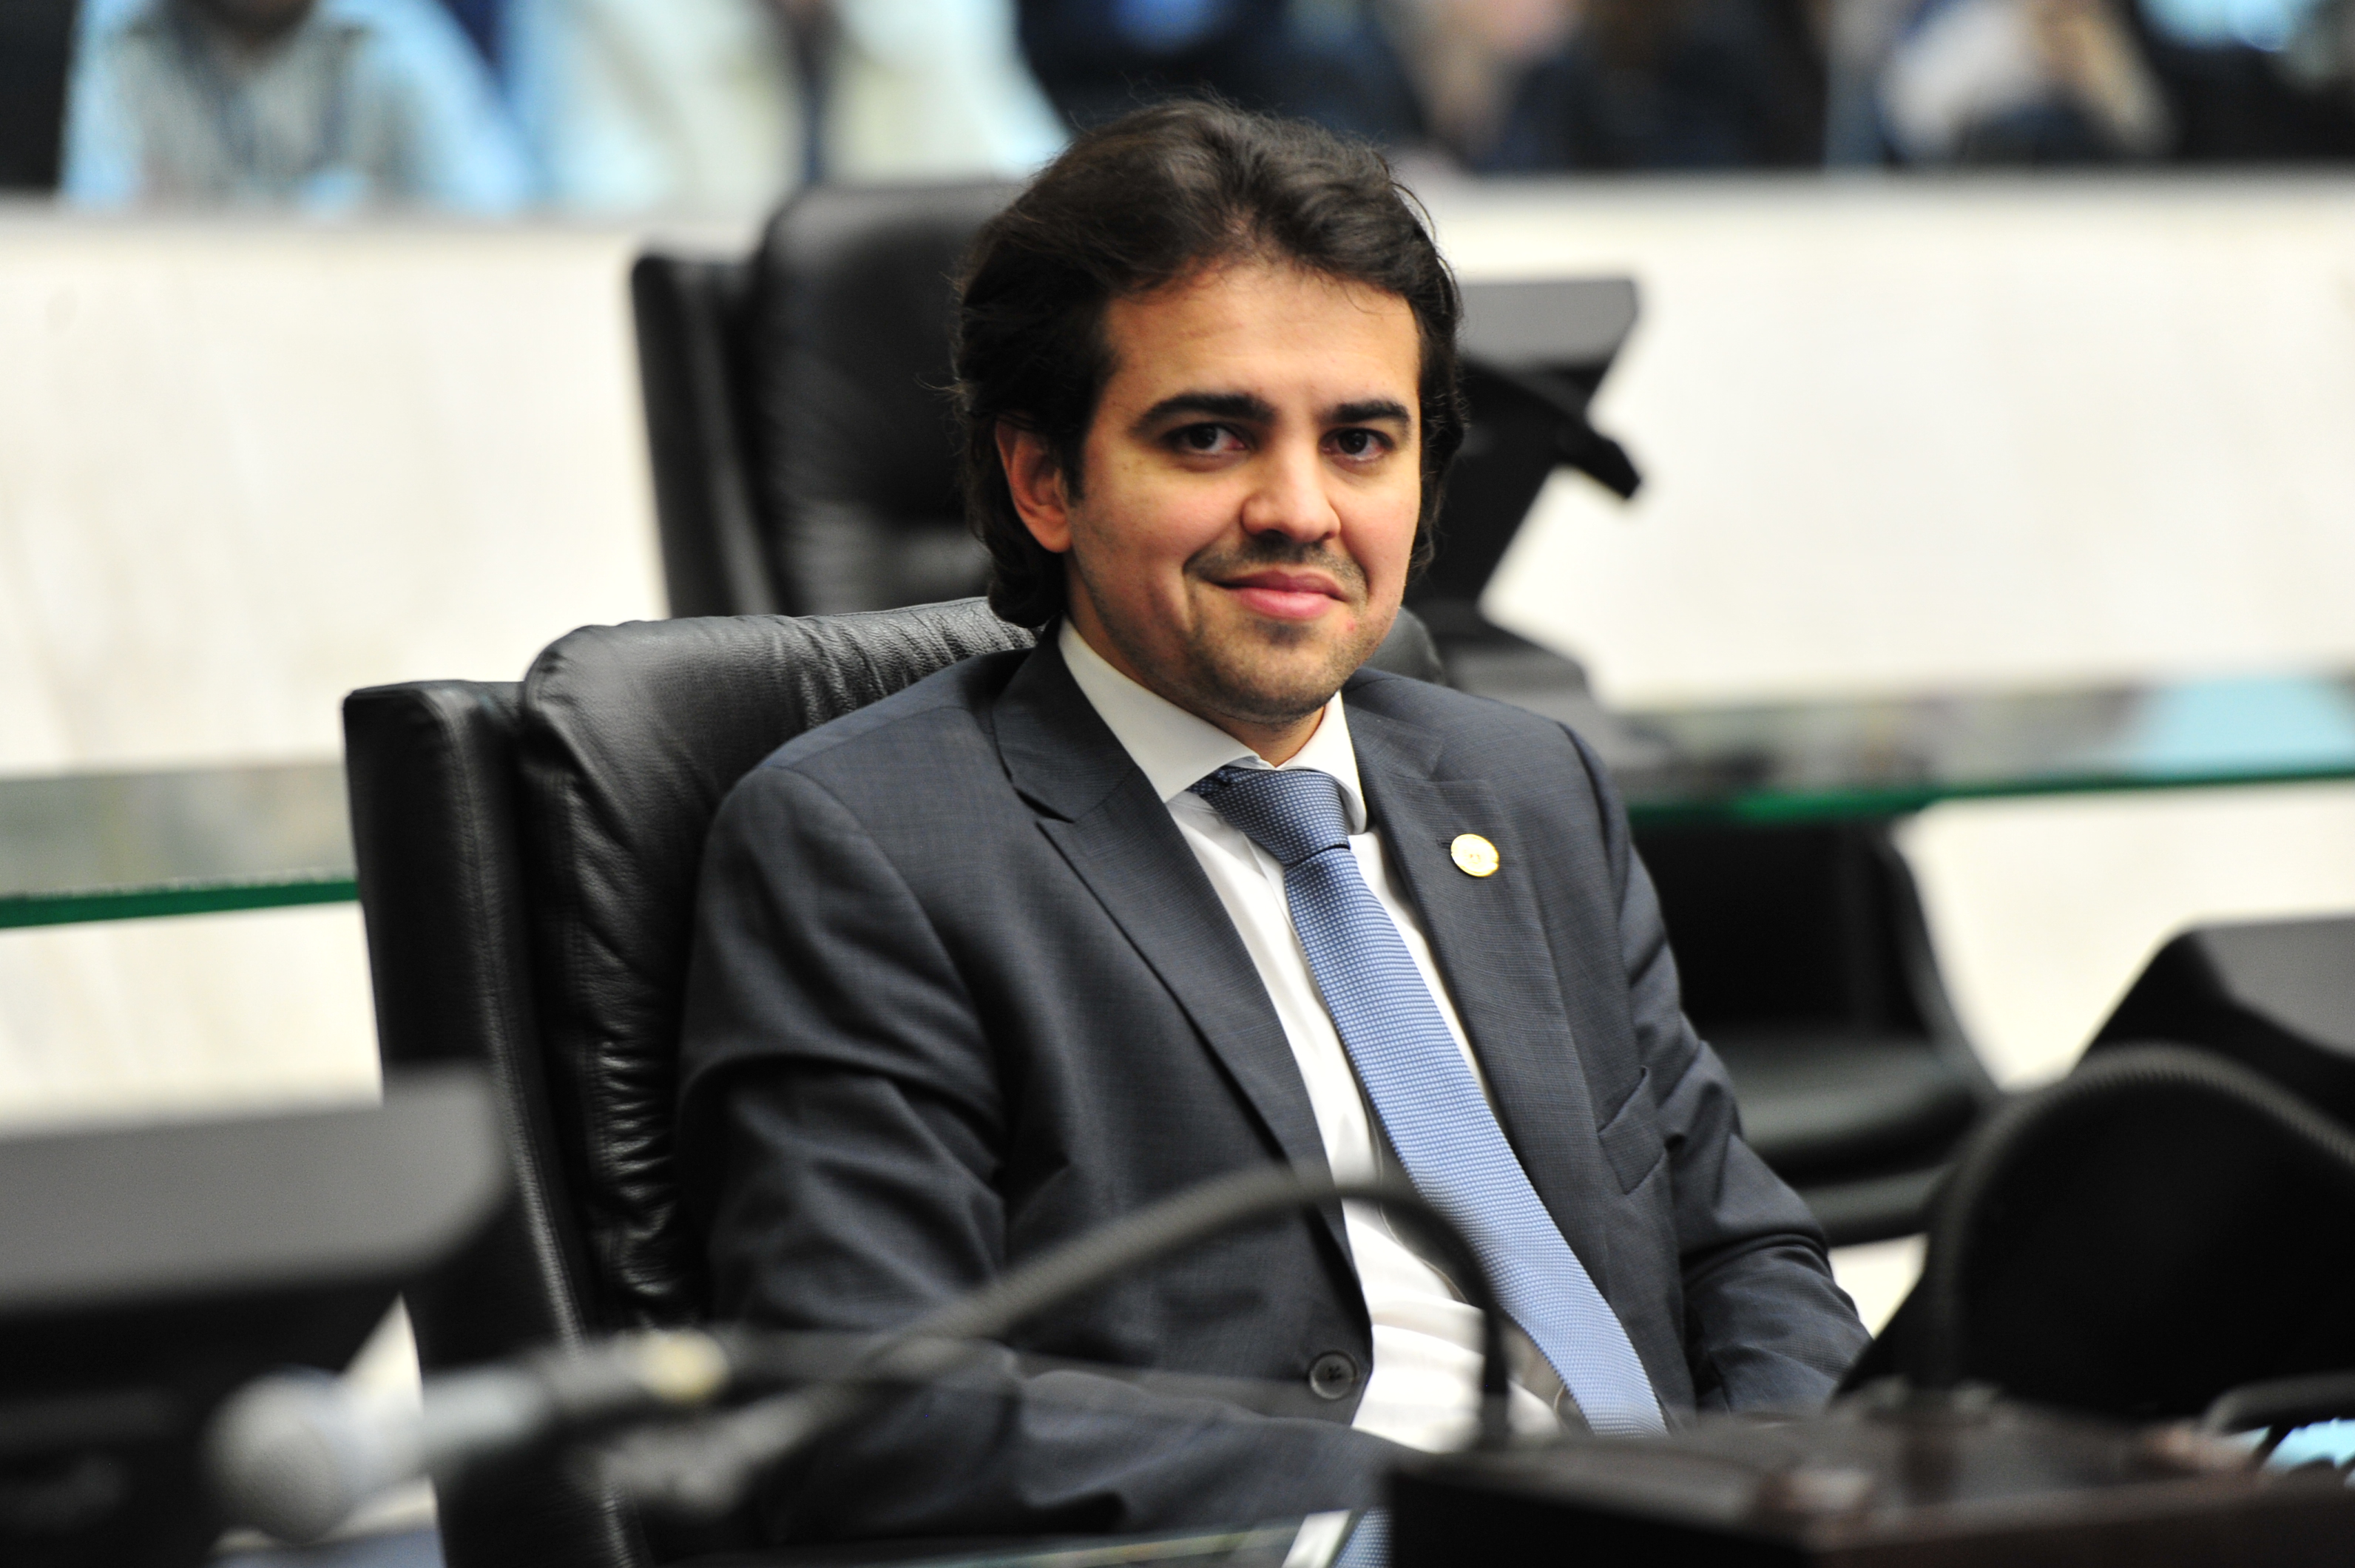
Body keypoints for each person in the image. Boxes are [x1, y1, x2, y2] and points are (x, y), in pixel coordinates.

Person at [676, 99, 1868, 1550]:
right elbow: (880, 1411)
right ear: (1043, 480)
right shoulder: (865, 844)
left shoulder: (1525, 788)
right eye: (1207, 436)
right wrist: (1476, 1519)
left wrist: (1812, 1495)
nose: (1299, 508)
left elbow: (1741, 1254)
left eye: (1360, 440)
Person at [61, 0, 532, 211]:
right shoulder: (124, 31)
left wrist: (399, 231)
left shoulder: (391, 35)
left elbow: (507, 229)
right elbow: (90, 246)